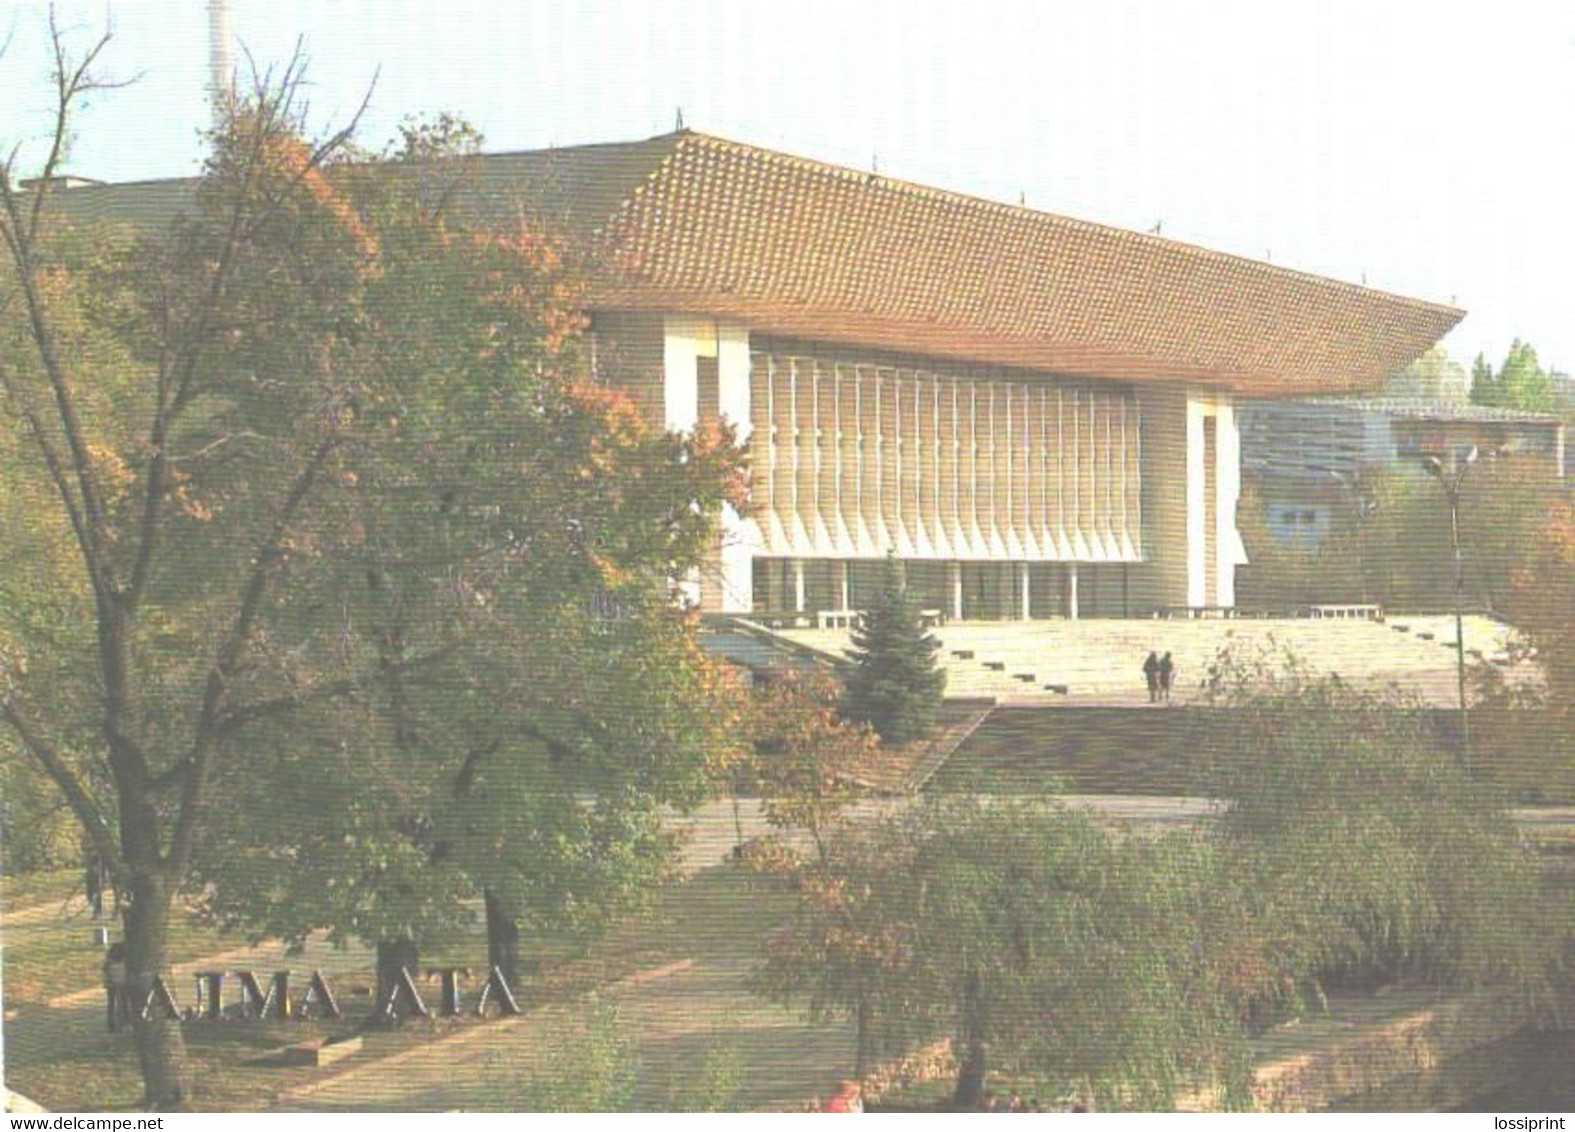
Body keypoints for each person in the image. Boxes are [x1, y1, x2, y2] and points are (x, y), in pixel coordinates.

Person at [103, 942, 129, 1033]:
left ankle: (112, 1025)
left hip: (111, 984)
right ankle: (123, 1023)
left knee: (111, 1005)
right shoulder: (125, 960)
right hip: (122, 984)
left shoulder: (109, 961)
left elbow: (106, 971)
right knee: (122, 1004)